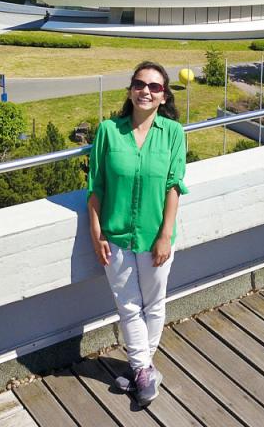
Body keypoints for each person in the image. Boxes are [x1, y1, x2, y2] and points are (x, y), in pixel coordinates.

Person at [87, 61, 188, 408]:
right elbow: (96, 186)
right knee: (128, 306)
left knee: (154, 305)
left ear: (163, 96)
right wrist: (96, 232)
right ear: (131, 89)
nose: (146, 90)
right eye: (140, 84)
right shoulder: (108, 132)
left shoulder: (173, 133)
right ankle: (144, 371)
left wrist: (166, 234)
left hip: (155, 236)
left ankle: (140, 370)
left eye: (155, 87)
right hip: (114, 236)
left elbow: (173, 187)